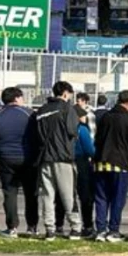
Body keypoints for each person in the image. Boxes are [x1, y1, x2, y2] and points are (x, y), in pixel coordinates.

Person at [31, 81, 81, 241]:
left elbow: (36, 134)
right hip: (63, 158)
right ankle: (75, 227)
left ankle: (49, 229)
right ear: (66, 93)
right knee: (68, 195)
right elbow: (73, 131)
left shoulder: (41, 110)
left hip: (45, 158)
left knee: (47, 195)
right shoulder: (67, 109)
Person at [0, 87, 37, 237]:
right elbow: (38, 135)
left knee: (9, 193)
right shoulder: (29, 114)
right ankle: (32, 226)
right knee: (31, 193)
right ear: (16, 98)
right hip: (28, 158)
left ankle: (12, 227)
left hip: (5, 158)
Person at [93, 90, 128, 242]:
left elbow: (98, 139)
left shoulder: (105, 117)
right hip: (120, 164)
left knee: (101, 198)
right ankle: (113, 230)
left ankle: (101, 230)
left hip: (101, 162)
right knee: (117, 199)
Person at [74, 106, 96, 237]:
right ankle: (87, 225)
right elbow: (89, 148)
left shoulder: (64, 127)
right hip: (81, 162)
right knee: (85, 196)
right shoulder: (82, 129)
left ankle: (60, 224)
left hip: (67, 161)